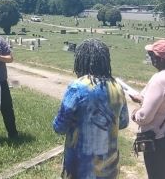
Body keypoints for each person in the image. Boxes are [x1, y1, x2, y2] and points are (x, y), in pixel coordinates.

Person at [53, 39, 129, 179]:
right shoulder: (117, 87)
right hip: (109, 168)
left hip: (80, 168)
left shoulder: (77, 87)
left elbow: (59, 127)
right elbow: (123, 122)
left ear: (81, 60)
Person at [129, 39, 165, 179]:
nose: (151, 58)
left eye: (152, 55)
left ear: (159, 58)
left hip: (160, 140)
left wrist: (135, 113)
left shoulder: (159, 79)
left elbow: (144, 117)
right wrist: (144, 100)